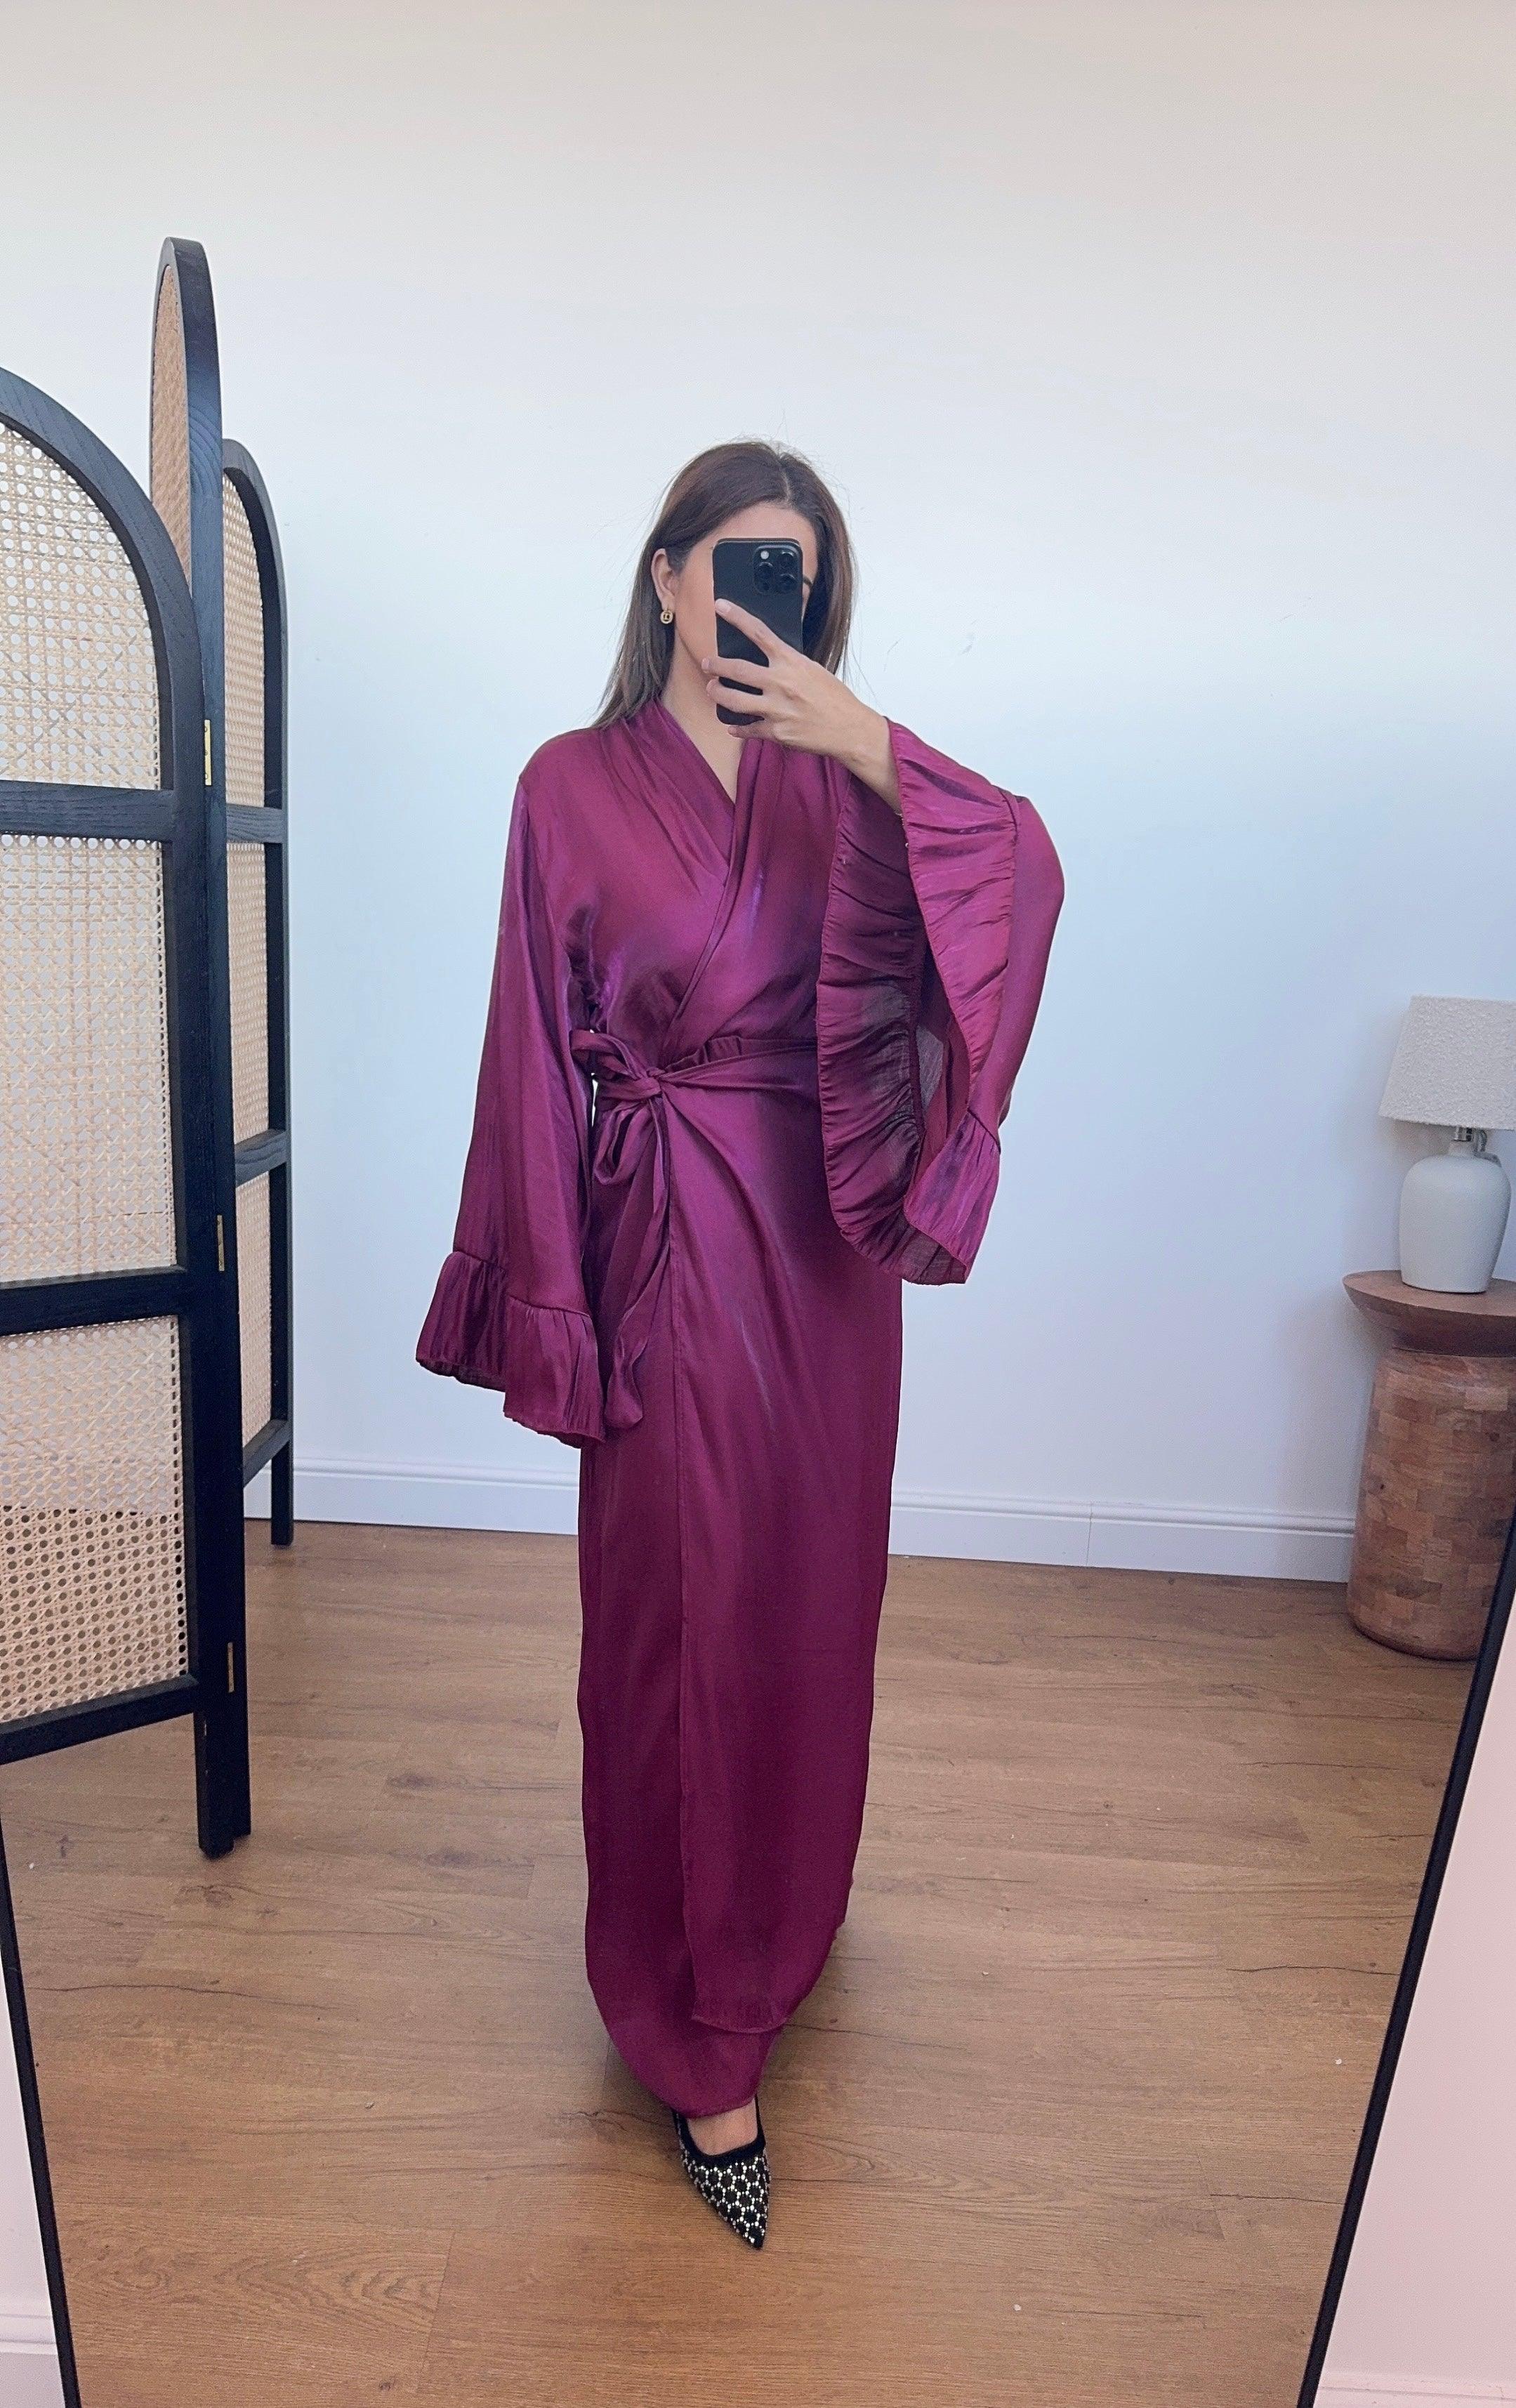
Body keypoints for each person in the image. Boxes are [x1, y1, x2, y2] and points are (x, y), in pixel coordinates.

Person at [416, 441, 1064, 2248]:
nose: (768, 602)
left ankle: (780, 1924)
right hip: (660, 1243)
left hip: (823, 1254)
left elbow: (1018, 875)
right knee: (671, 1627)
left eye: (802, 577)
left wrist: (873, 742)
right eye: (742, 564)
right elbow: (528, 1051)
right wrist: (550, 1301)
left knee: (808, 1598)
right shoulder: (565, 785)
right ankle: (696, 2028)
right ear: (667, 576)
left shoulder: (849, 781)